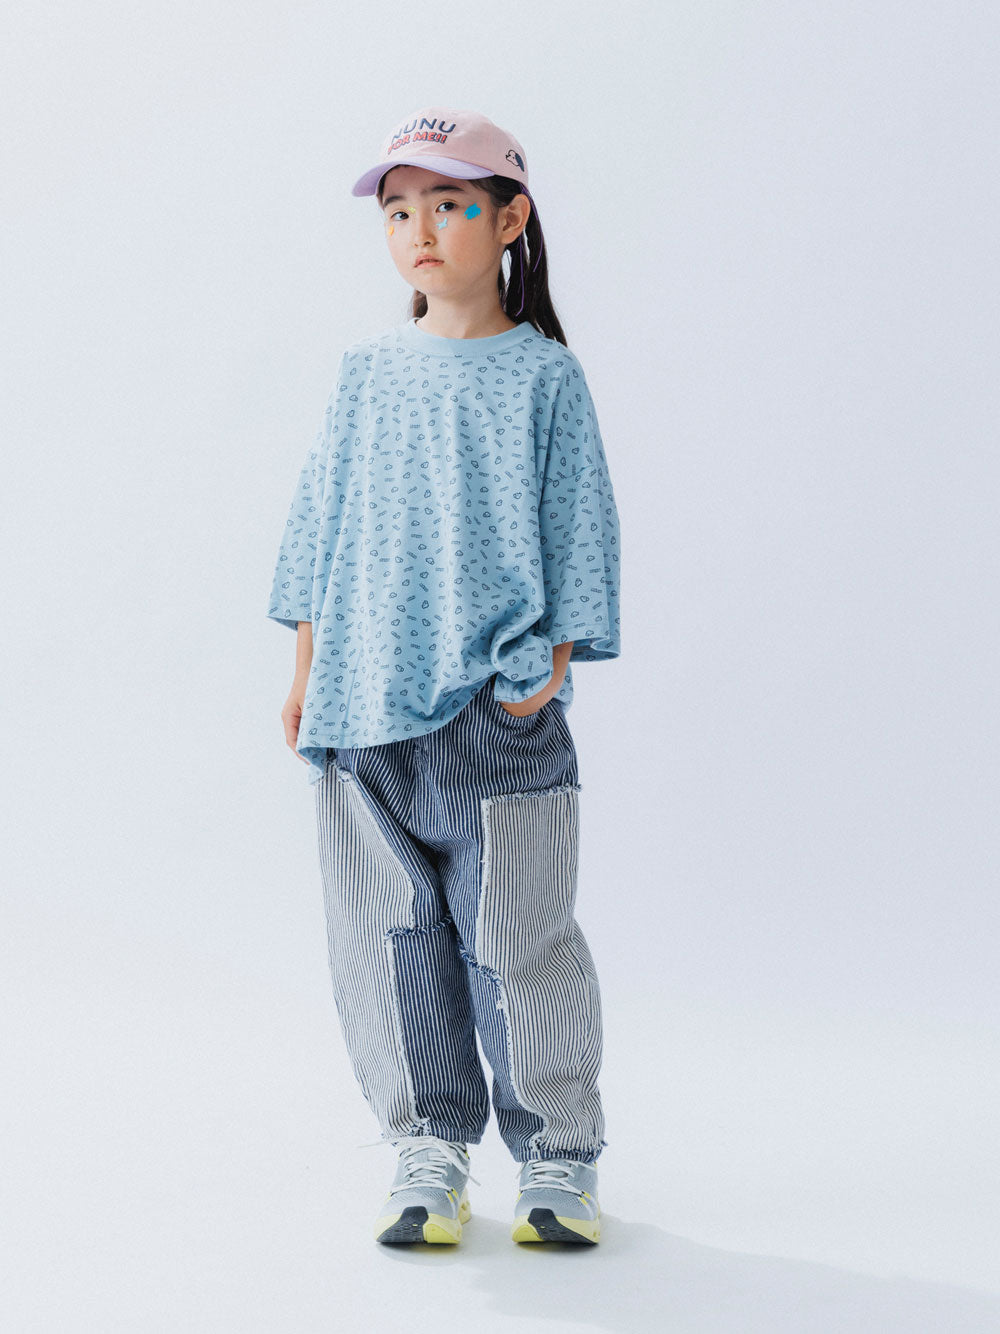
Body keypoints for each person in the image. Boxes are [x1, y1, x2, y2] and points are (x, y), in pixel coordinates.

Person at [265, 106, 622, 1248]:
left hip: (496, 719)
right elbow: (319, 521)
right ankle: (427, 1150)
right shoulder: (366, 372)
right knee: (391, 945)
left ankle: (557, 1157)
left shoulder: (544, 377)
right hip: (362, 710)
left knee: (520, 941)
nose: (418, 230)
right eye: (398, 211)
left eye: (450, 204)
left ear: (509, 220)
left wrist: (543, 673)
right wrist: (306, 671)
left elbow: (579, 531)